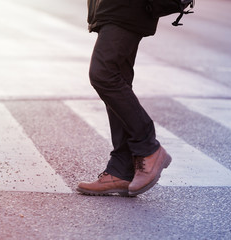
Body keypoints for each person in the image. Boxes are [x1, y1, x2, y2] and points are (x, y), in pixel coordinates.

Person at [76, 0, 172, 197]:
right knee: (117, 77)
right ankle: (121, 169)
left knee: (104, 74)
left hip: (128, 6)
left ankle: (148, 147)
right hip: (114, 8)